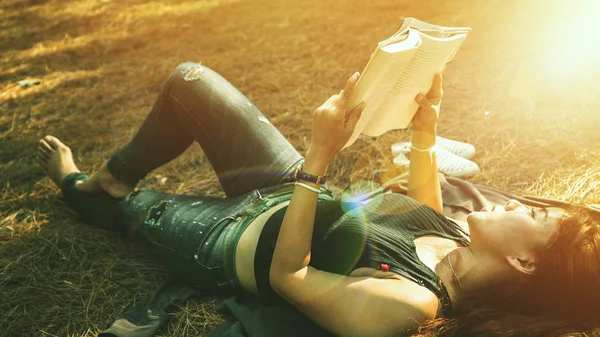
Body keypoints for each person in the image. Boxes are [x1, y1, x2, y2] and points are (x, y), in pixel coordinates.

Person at [36, 63, 599, 337]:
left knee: (127, 210)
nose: (522, 204)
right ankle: (114, 175)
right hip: (286, 189)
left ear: (524, 263)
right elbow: (424, 207)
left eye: (535, 216)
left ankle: (81, 187)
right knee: (191, 81)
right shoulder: (460, 242)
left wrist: (319, 156)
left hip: (229, 238)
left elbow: (291, 278)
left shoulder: (411, 307)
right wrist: (427, 130)